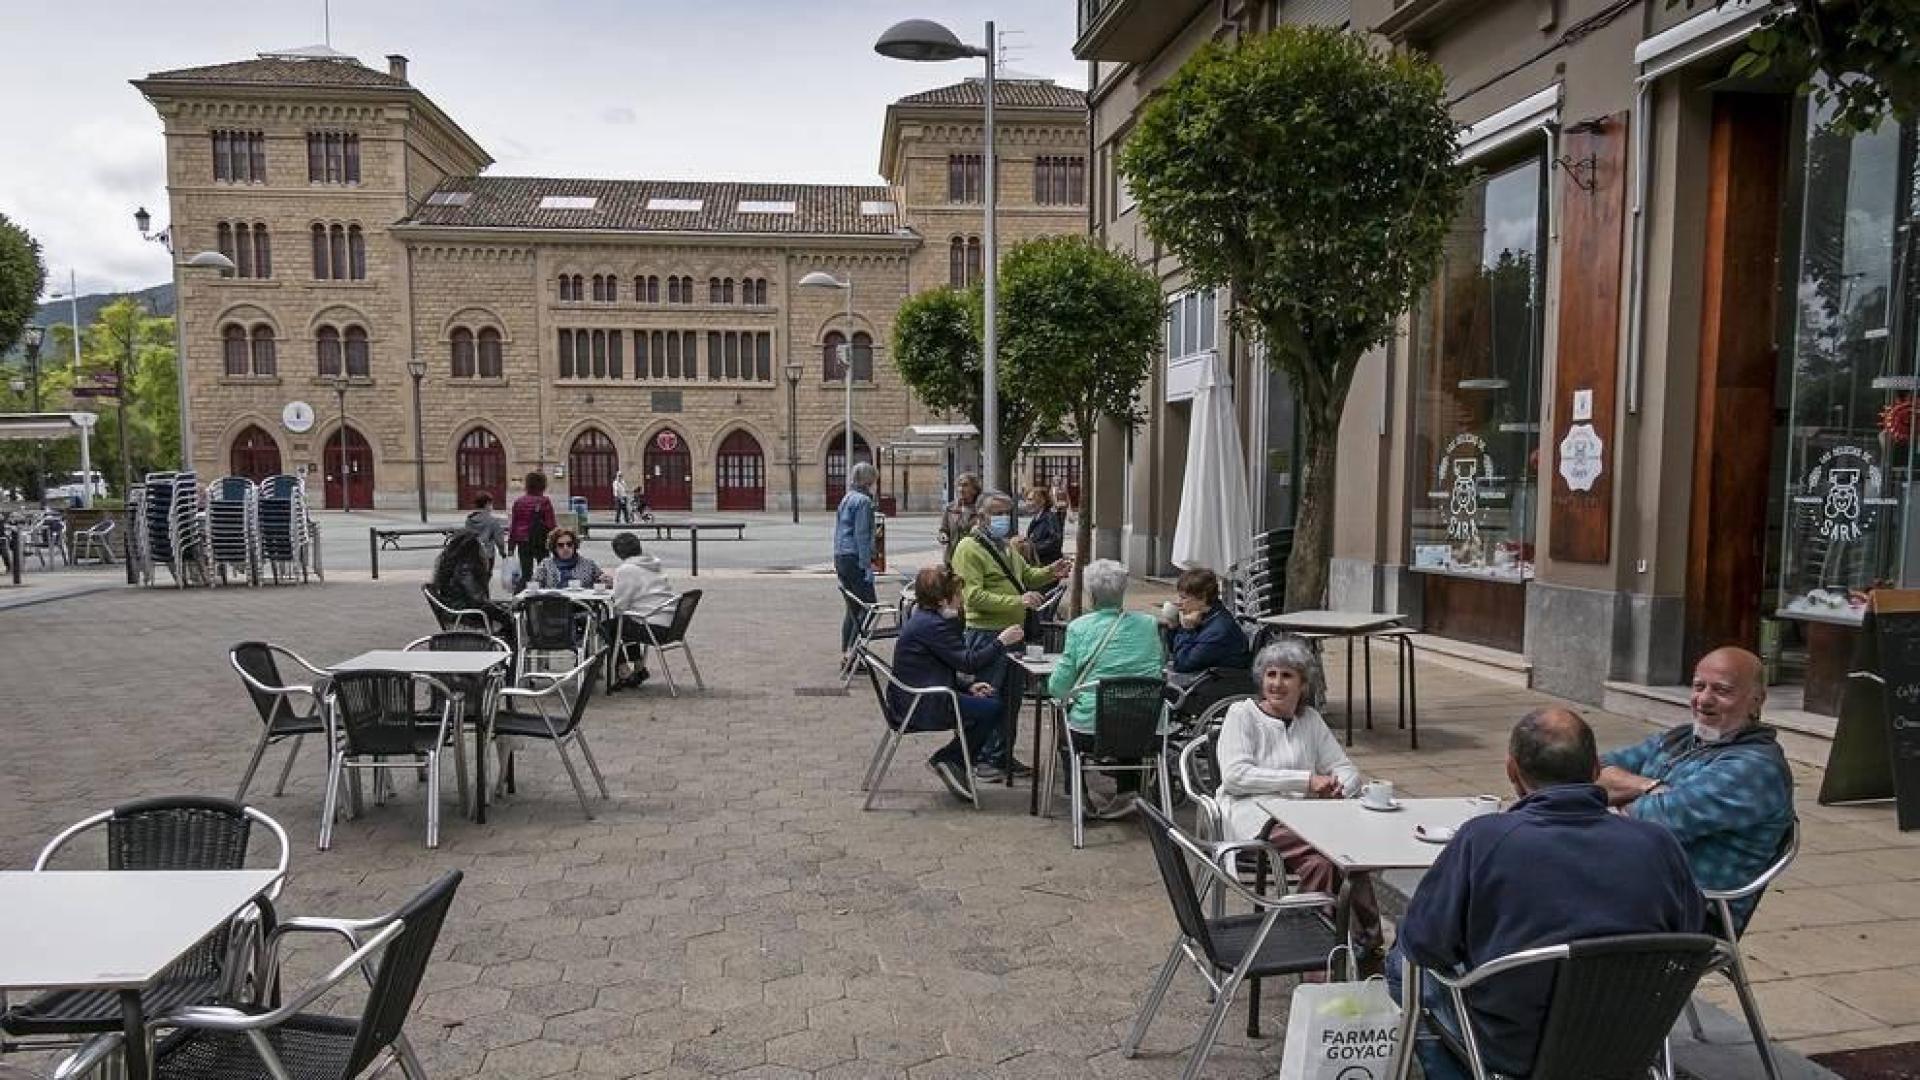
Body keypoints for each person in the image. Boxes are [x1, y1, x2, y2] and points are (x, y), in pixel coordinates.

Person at [1389, 707, 1706, 1080]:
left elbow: (1425, 944)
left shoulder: (1484, 839)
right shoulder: (1658, 843)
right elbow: (1689, 935)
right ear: (1595, 769)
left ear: (1512, 771)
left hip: (1513, 1047)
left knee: (1402, 964)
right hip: (1628, 1042)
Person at [1598, 646, 1795, 932]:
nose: (1704, 700)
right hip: (1638, 890)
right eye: (1699, 686)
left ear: (1756, 701)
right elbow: (1590, 770)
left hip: (1687, 915)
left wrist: (1613, 795)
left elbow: (1646, 822)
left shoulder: (1754, 768)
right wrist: (1649, 786)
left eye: (1721, 690)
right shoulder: (1682, 739)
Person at [1215, 638, 1382, 953]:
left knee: (1323, 865)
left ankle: (1319, 952)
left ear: (1303, 685)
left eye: (1287, 676)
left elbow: (1345, 769)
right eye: (1271, 674)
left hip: (1307, 820)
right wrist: (1307, 781)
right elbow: (1235, 776)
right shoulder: (1242, 715)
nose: (1276, 683)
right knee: (1345, 852)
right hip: (1258, 819)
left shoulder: (1310, 720)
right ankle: (1366, 942)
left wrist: (1339, 788)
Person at [951, 490, 1071, 780]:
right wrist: (1017, 602)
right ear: (981, 516)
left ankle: (1002, 755)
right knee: (987, 696)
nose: (1003, 518)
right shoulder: (969, 548)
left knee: (1011, 700)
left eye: (1007, 512)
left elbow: (1026, 576)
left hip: (1014, 635)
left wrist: (1051, 572)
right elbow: (972, 596)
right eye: (997, 513)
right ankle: (981, 757)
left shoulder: (1004, 546)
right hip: (986, 633)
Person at [890, 566, 1023, 801]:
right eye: (958, 595)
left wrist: (966, 687)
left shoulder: (923, 618)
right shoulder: (934, 625)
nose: (961, 600)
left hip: (915, 697)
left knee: (987, 702)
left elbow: (937, 666)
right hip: (922, 704)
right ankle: (951, 758)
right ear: (942, 600)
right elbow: (968, 663)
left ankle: (955, 761)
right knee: (993, 708)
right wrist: (1001, 641)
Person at [1046, 559, 1166, 816]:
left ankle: (1078, 793)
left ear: (1091, 595)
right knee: (1128, 710)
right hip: (1147, 727)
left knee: (1062, 719)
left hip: (1092, 729)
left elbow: (1058, 687)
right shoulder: (1148, 624)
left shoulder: (1079, 627)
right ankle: (1128, 790)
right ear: (1123, 591)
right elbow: (1158, 664)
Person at [606, 532, 675, 687]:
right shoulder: (652, 563)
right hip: (672, 625)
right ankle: (639, 667)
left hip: (654, 628)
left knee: (606, 627)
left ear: (617, 553)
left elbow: (620, 606)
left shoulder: (626, 569)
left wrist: (615, 586)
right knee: (626, 621)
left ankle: (623, 671)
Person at [429, 528, 515, 643]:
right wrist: (503, 611)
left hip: (457, 612)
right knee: (510, 620)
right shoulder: (466, 570)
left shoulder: (454, 565)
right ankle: (508, 650)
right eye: (481, 544)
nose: (484, 547)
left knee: (506, 615)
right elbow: (478, 600)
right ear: (472, 549)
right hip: (466, 616)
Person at [1167, 567, 1252, 674]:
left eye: (1183, 598)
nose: (1178, 603)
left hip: (1220, 682)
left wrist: (1187, 631)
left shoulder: (1218, 631)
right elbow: (1174, 652)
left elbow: (1182, 665)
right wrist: (1174, 627)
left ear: (1203, 598)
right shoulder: (1206, 617)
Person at [833, 461, 879, 654]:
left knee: (852, 608)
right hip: (854, 557)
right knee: (869, 606)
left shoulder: (846, 498)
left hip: (841, 555)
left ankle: (846, 651)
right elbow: (862, 535)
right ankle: (854, 650)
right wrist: (867, 564)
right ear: (869, 480)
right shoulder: (863, 502)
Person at [508, 471, 557, 593]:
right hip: (540, 540)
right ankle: (543, 596)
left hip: (522, 541)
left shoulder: (519, 501)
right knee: (544, 571)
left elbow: (514, 524)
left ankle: (520, 597)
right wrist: (555, 542)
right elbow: (550, 524)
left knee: (526, 573)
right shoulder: (544, 501)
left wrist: (511, 546)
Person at [530, 527, 607, 589]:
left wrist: (606, 581)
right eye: (560, 545)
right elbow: (534, 585)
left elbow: (603, 583)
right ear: (554, 548)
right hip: (553, 602)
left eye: (569, 544)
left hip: (582, 603)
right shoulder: (546, 564)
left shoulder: (589, 564)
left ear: (574, 545)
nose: (565, 548)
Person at [938, 473, 982, 566]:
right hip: (952, 559)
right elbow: (943, 530)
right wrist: (943, 536)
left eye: (965, 485)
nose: (961, 489)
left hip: (973, 560)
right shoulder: (950, 508)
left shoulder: (982, 509)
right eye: (959, 485)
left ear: (975, 490)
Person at [1024, 485, 1065, 565]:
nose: (1027, 503)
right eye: (1027, 500)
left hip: (1048, 564)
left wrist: (1032, 549)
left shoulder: (1050, 518)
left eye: (1030, 500)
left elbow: (1055, 541)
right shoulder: (1036, 519)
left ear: (1042, 501)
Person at [465, 492, 507, 565]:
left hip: (472, 554)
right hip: (487, 554)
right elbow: (499, 540)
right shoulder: (493, 521)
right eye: (491, 504)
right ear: (487, 504)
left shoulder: (469, 520)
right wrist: (502, 552)